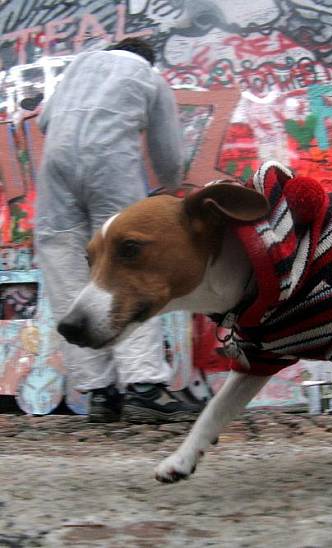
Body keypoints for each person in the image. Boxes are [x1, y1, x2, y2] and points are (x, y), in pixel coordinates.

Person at [36, 38, 202, 423]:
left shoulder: (79, 65)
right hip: (109, 165)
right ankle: (144, 387)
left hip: (55, 169)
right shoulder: (148, 76)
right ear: (148, 59)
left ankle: (98, 392)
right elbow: (167, 151)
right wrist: (172, 183)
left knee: (65, 269)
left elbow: (45, 121)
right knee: (129, 266)